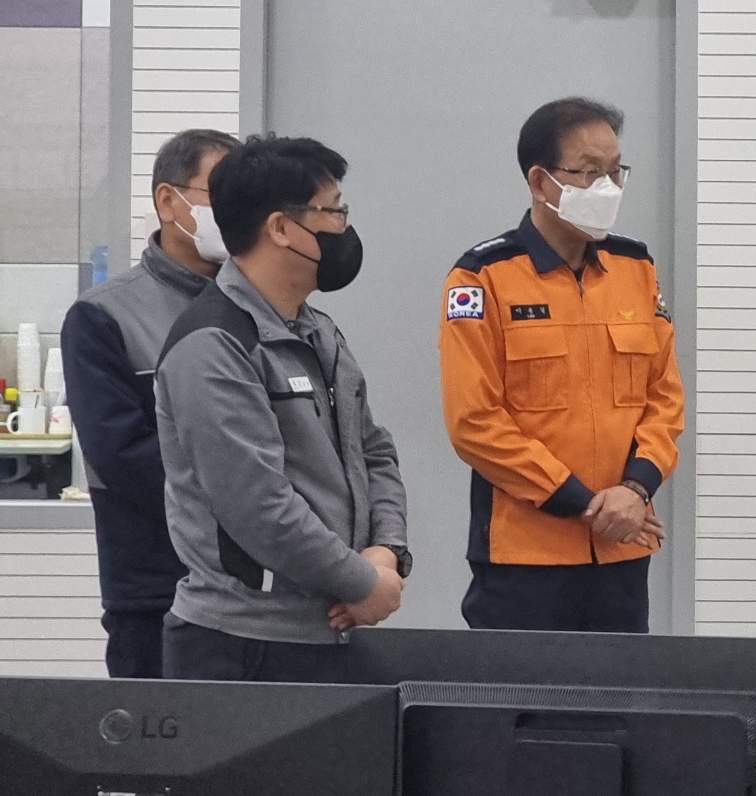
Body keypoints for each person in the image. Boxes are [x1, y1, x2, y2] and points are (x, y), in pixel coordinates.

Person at [153, 136, 410, 681]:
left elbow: (373, 452)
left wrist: (385, 553)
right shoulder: (213, 344)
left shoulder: (318, 331)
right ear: (280, 228)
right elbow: (258, 506)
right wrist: (362, 583)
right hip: (240, 645)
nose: (344, 227)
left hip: (326, 627)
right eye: (333, 211)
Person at [439, 97, 684, 634]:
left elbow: (663, 399)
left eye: (616, 171)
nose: (608, 188)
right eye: (589, 172)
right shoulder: (483, 277)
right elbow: (474, 423)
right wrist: (584, 503)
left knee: (619, 688)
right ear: (539, 180)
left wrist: (635, 490)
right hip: (525, 557)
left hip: (621, 549)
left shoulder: (636, 268)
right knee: (520, 689)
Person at [60, 128, 239, 678]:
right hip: (157, 595)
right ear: (168, 200)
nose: (237, 212)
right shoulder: (104, 317)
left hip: (262, 596)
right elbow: (121, 457)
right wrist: (248, 505)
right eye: (222, 193)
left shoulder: (261, 309)